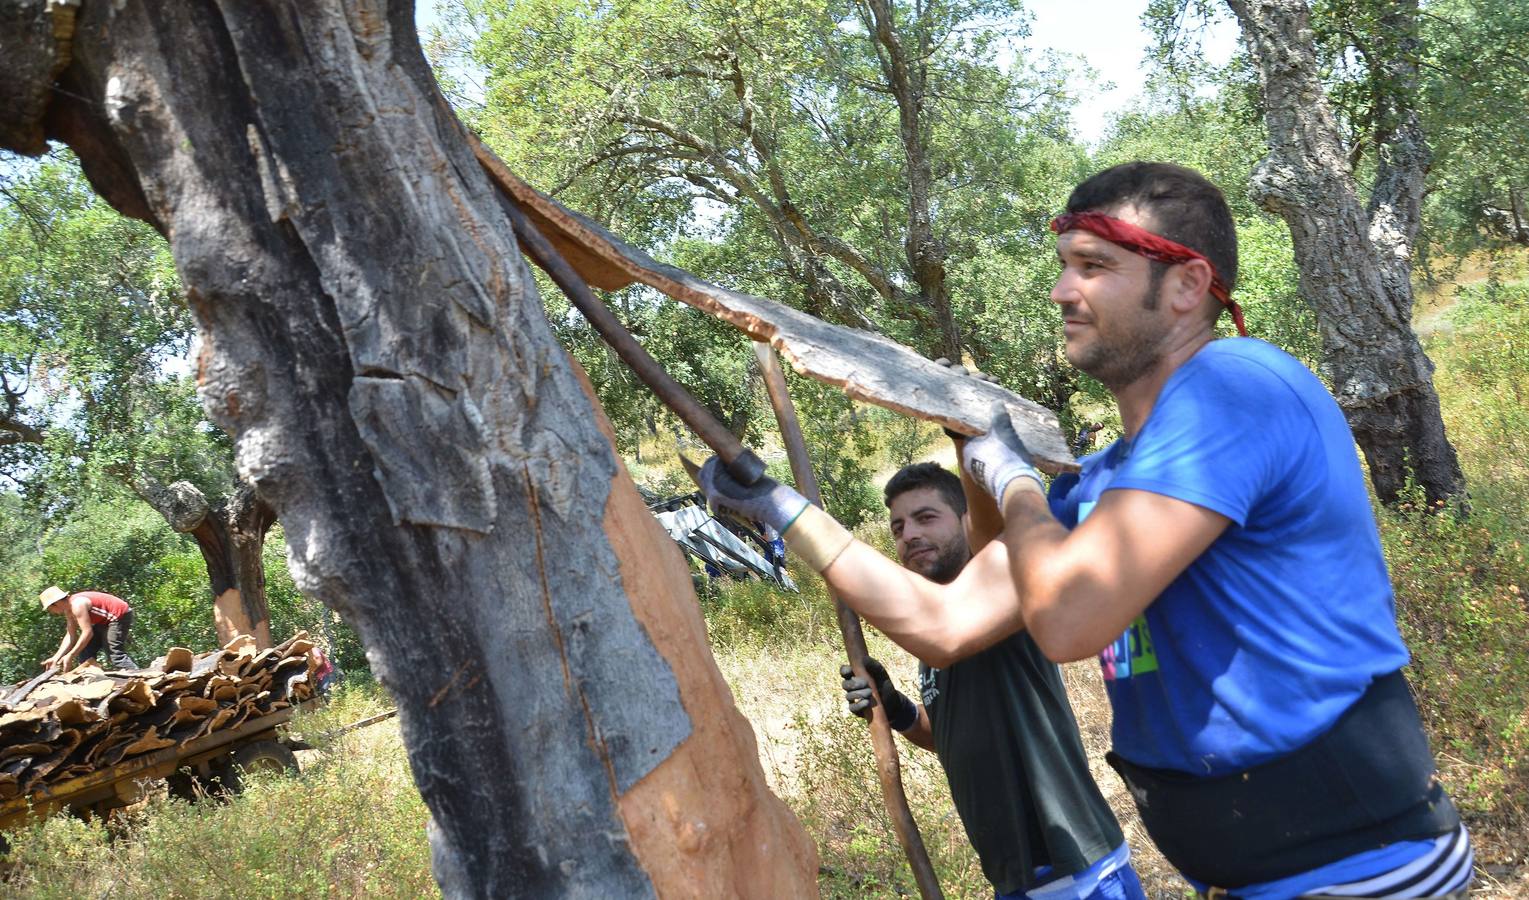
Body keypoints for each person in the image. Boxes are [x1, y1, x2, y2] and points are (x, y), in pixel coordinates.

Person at [699, 162, 1473, 898]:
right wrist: (778, 508)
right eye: (1064, 264)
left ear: (1186, 285)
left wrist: (1014, 484)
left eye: (1093, 266)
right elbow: (941, 621)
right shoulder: (1105, 482)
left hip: (1354, 867)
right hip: (1262, 873)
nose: (1061, 290)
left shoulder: (1236, 385)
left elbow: (1069, 617)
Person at [840, 462, 1143, 900]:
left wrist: (963, 439)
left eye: (926, 517)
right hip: (1013, 879)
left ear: (966, 520)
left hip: (1079, 874)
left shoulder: (1000, 594)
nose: (908, 535)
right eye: (898, 527)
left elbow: (991, 529)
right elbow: (949, 736)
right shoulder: (937, 632)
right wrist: (897, 707)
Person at [39, 585, 139, 672]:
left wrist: (71, 655)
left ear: (55, 603)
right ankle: (88, 676)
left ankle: (138, 676)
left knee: (114, 652)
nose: (51, 612)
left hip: (119, 615)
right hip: (104, 621)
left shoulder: (77, 605)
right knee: (86, 650)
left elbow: (87, 633)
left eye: (50, 609)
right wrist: (56, 657)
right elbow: (70, 635)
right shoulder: (68, 609)